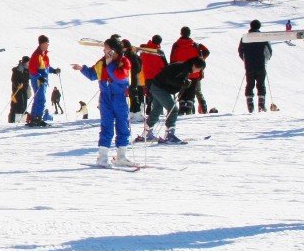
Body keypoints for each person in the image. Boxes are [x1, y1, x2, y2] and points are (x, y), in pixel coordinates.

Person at [72, 37, 135, 167]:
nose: (103, 50)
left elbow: (120, 77)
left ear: (113, 49)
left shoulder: (124, 62)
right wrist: (82, 68)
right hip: (105, 98)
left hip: (119, 97)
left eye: (105, 47)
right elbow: (92, 74)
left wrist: (110, 64)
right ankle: (102, 157)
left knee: (123, 125)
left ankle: (121, 156)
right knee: (106, 126)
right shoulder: (102, 63)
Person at [139, 56, 206, 145]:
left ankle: (146, 134)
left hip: (156, 86)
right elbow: (170, 79)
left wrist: (183, 82)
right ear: (194, 65)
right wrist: (183, 83)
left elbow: (171, 78)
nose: (198, 71)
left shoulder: (183, 66)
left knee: (157, 109)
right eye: (199, 69)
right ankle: (169, 136)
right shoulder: (183, 68)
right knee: (173, 110)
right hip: (159, 88)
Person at [169, 26, 210, 114]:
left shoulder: (176, 45)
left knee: (182, 90)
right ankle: (188, 110)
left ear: (181, 33)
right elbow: (203, 55)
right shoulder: (194, 45)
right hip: (194, 72)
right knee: (191, 92)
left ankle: (182, 107)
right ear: (189, 33)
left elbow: (172, 59)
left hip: (180, 72)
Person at [238, 19, 272, 113]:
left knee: (249, 85)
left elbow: (240, 51)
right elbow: (269, 51)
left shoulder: (244, 37)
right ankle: (261, 105)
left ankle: (250, 106)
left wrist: (245, 60)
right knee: (261, 85)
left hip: (249, 65)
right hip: (260, 64)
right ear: (259, 27)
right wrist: (265, 60)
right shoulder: (262, 37)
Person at [27, 36, 55, 127]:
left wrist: (54, 70)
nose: (48, 45)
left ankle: (34, 118)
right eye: (46, 43)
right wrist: (39, 77)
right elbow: (32, 69)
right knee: (41, 99)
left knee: (38, 99)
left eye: (48, 43)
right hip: (38, 81)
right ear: (41, 44)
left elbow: (46, 68)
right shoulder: (37, 55)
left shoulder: (44, 55)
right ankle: (37, 118)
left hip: (43, 81)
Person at [8, 57, 29, 123]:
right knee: (18, 105)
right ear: (25, 62)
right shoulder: (18, 69)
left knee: (24, 105)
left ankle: (23, 120)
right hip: (17, 91)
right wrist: (17, 85)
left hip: (24, 90)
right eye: (28, 62)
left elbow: (28, 78)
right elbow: (14, 79)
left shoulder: (27, 70)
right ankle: (15, 120)